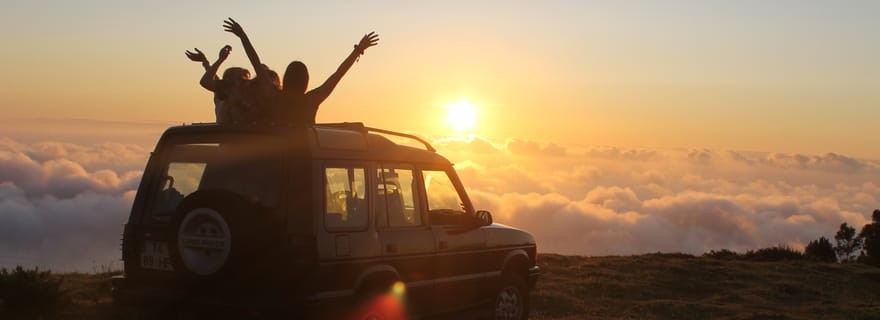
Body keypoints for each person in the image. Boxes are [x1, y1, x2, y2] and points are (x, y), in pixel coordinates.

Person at [279, 32, 379, 125]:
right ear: (305, 82)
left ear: (285, 79)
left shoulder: (273, 97)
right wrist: (358, 50)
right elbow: (338, 74)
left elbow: (338, 74)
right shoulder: (310, 101)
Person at [222, 18, 281, 123]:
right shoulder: (247, 101)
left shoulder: (272, 97)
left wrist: (243, 36)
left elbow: (255, 62)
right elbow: (255, 62)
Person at [185, 45, 252, 125]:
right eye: (242, 80)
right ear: (229, 83)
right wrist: (220, 60)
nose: (246, 84)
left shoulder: (247, 100)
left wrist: (205, 62)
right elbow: (206, 81)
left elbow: (212, 79)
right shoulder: (223, 97)